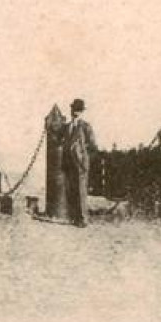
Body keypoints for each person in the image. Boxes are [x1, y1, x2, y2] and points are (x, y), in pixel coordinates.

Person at [62, 97, 98, 227]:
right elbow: (58, 138)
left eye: (78, 110)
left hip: (80, 165)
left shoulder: (86, 127)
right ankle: (74, 217)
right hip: (68, 164)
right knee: (71, 190)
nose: (75, 112)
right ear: (71, 110)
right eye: (73, 109)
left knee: (81, 191)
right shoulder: (67, 127)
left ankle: (83, 219)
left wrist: (83, 158)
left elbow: (93, 146)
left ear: (82, 112)